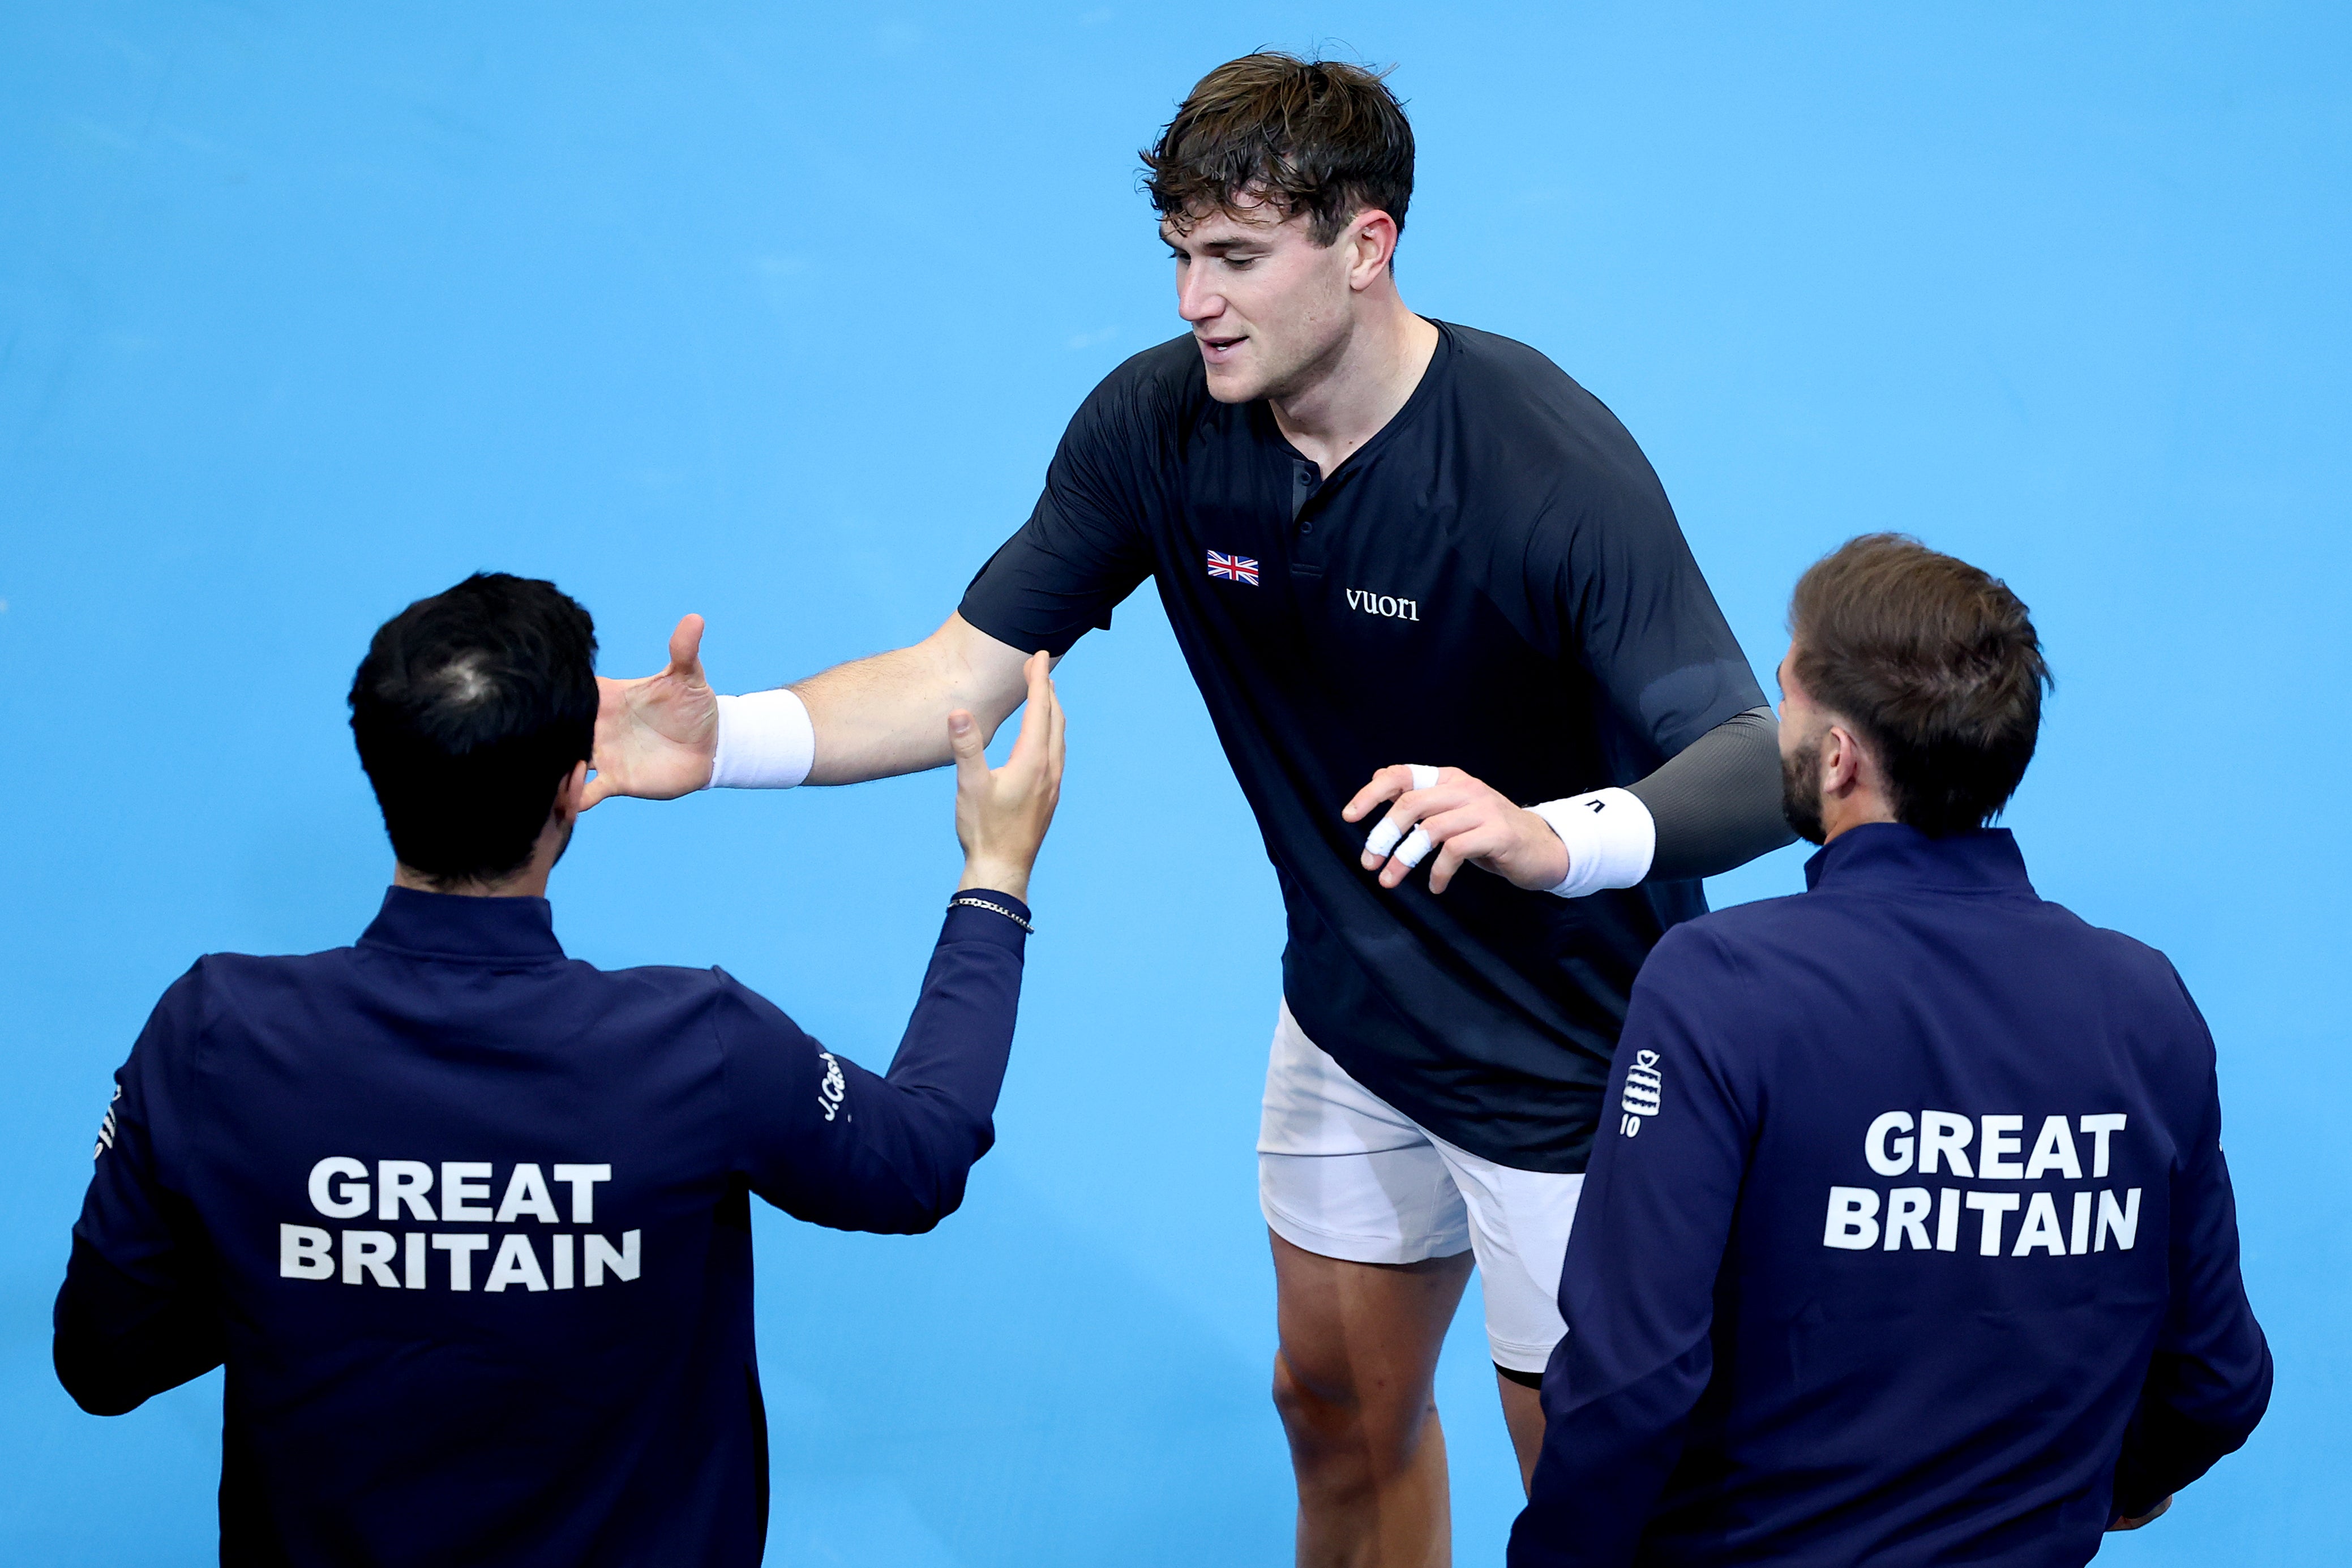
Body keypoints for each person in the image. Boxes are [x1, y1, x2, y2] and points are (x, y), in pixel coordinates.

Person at [587, 54, 1792, 1558]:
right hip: (1352, 1019)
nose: (1190, 302)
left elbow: (1762, 761)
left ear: (1365, 245)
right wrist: (728, 742)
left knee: (1602, 1501)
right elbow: (962, 674)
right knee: (1334, 1416)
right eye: (1177, 257)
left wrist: (1556, 836)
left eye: (1232, 258)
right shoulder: (1159, 428)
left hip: (1577, 1069)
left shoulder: (1547, 467)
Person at [53, 573, 1065, 1566]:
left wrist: (334, 1252)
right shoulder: (698, 1044)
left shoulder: (210, 1036)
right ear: (574, 787)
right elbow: (922, 1152)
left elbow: (105, 1357)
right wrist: (995, 874)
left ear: (381, 764)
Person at [1509, 535, 2271, 1566]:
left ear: (1839, 757)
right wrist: (2086, 1485)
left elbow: (1632, 1378)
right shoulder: (2144, 1004)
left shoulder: (1718, 985)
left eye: (1785, 694)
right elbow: (2217, 1380)